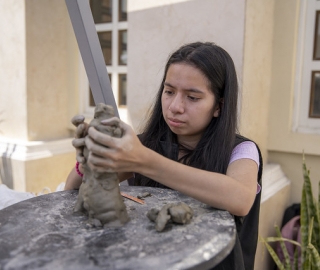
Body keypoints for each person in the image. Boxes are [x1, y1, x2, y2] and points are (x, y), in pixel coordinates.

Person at [65, 42, 263, 270]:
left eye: (192, 97)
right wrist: (89, 160)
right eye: (169, 92)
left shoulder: (241, 150)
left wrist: (144, 161)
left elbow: (240, 199)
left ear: (218, 106)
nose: (175, 106)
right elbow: (73, 191)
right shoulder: (141, 146)